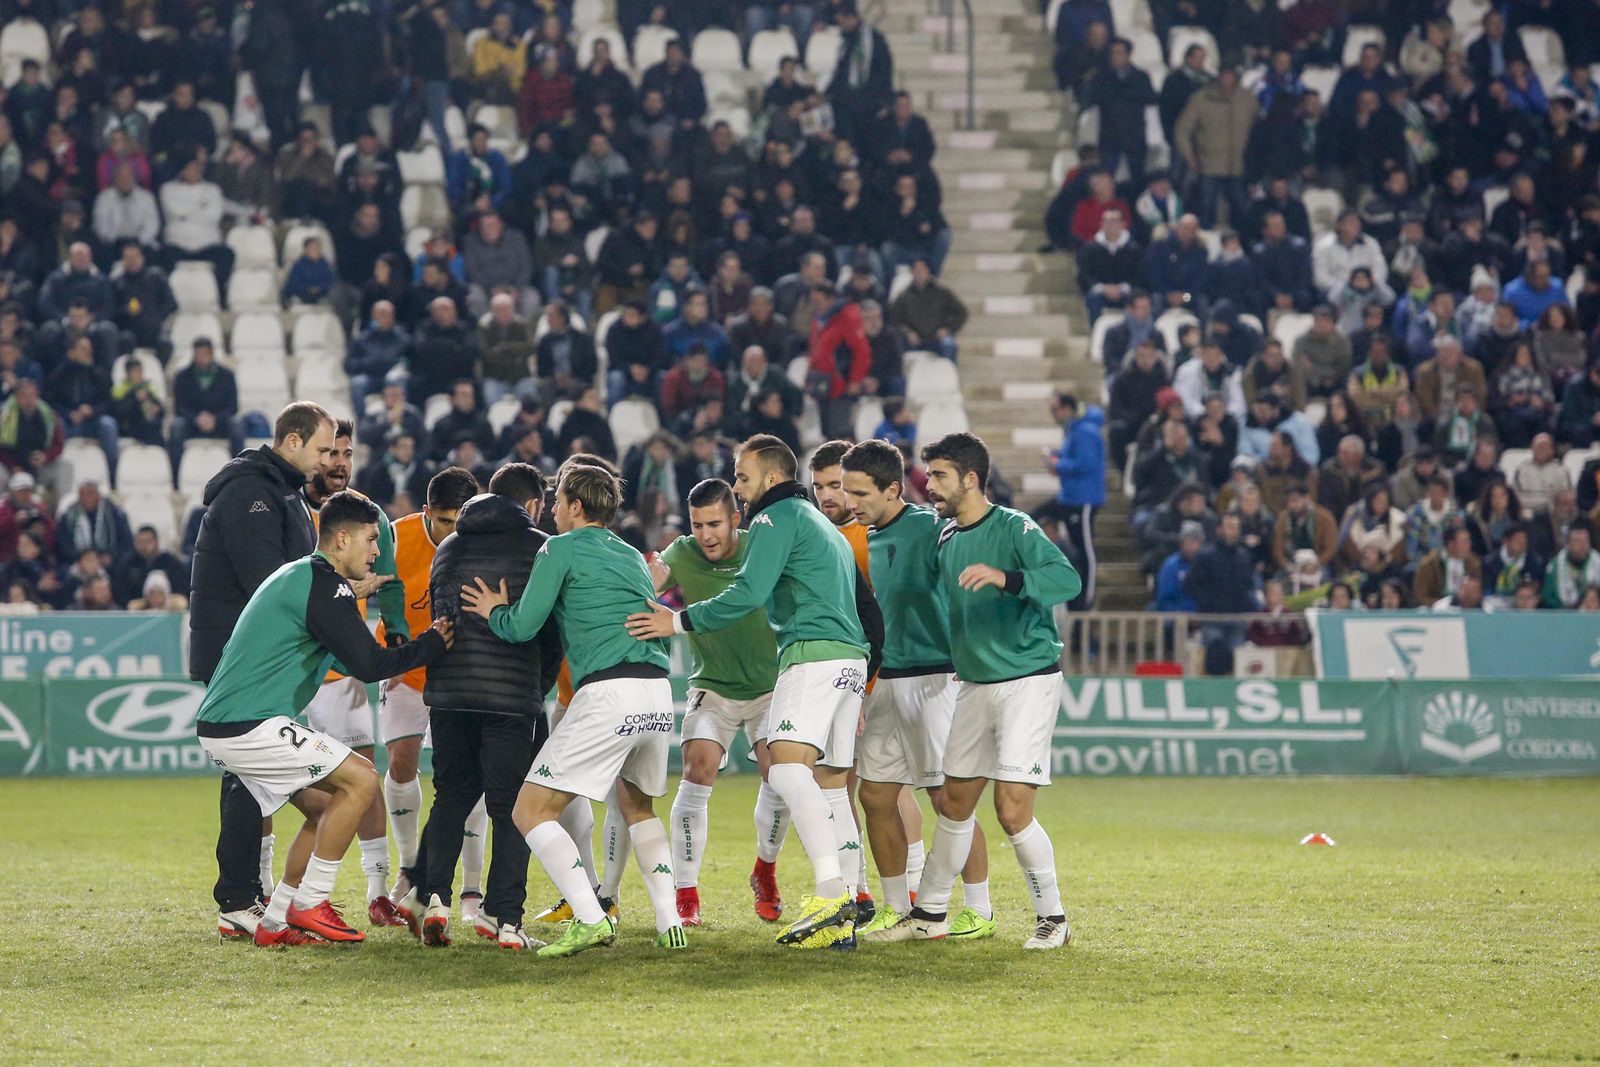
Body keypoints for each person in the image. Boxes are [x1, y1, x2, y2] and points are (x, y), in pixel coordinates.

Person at [625, 434, 883, 950]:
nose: (739, 491)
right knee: (830, 786)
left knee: (787, 769)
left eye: (742, 478)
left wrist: (678, 622)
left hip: (812, 655)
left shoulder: (774, 519)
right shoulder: (822, 525)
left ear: (769, 477)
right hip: (850, 658)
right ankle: (849, 909)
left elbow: (748, 592)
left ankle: (831, 891)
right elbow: (864, 604)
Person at [195, 490, 453, 947]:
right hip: (247, 724)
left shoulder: (304, 577)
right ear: (341, 540)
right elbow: (370, 665)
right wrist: (432, 643)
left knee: (327, 807)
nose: (378, 551)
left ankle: (275, 922)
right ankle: (310, 901)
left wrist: (353, 594)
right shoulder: (324, 585)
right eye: (372, 540)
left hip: (230, 724)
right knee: (362, 780)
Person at [459, 463, 686, 957]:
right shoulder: (629, 553)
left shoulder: (558, 548)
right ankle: (670, 919)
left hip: (608, 692)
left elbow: (522, 626)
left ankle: (590, 917)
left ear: (576, 506)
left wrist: (493, 609)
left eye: (558, 500)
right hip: (655, 693)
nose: (553, 509)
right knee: (637, 806)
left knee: (529, 810)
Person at [883, 432, 1081, 950]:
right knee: (952, 803)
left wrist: (1007, 579)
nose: (929, 486)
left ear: (971, 479)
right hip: (973, 684)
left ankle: (1053, 918)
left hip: (1026, 682)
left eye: (940, 476)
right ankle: (928, 913)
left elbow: (1066, 581)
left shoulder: (1015, 527)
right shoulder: (947, 539)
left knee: (1011, 810)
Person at [191, 402, 336, 941]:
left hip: (253, 657)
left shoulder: (280, 491)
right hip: (241, 657)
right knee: (247, 776)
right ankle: (238, 898)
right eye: (321, 449)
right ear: (292, 442)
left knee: (248, 777)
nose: (325, 460)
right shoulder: (253, 493)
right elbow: (269, 583)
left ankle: (246, 894)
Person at [402, 463, 561, 950]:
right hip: (510, 697)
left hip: (449, 694)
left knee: (450, 796)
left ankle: (433, 899)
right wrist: (538, 685)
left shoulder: (448, 546)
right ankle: (504, 920)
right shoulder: (540, 548)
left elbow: (441, 621)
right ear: (532, 505)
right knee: (511, 806)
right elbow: (550, 632)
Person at [840, 440, 993, 941]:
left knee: (950, 800)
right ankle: (896, 907)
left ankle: (977, 909)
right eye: (847, 491)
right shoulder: (860, 539)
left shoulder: (932, 530)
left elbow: (967, 586)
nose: (852, 502)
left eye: (861, 492)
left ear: (892, 488)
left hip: (936, 678)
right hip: (887, 681)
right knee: (877, 796)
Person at [648, 478, 787, 927]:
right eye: (697, 524)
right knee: (697, 769)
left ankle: (765, 871)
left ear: (735, 519)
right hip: (714, 685)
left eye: (714, 523)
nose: (705, 534)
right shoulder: (682, 553)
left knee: (780, 776)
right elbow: (648, 583)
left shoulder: (762, 547)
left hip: (771, 687)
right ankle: (685, 893)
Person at [298, 422, 411, 925]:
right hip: (285, 673)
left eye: (347, 452)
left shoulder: (368, 516)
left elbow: (389, 584)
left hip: (338, 675)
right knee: (257, 789)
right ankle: (258, 891)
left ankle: (376, 889)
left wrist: (400, 642)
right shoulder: (288, 508)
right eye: (331, 452)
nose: (340, 461)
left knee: (363, 775)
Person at [1039, 393, 1105, 605]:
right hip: (1070, 497)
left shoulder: (1084, 431)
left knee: (1085, 549)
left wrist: (1057, 465)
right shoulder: (1075, 430)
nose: (1053, 415)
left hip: (1083, 499)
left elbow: (1086, 463)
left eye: (1055, 409)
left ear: (1068, 408)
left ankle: (1087, 597)